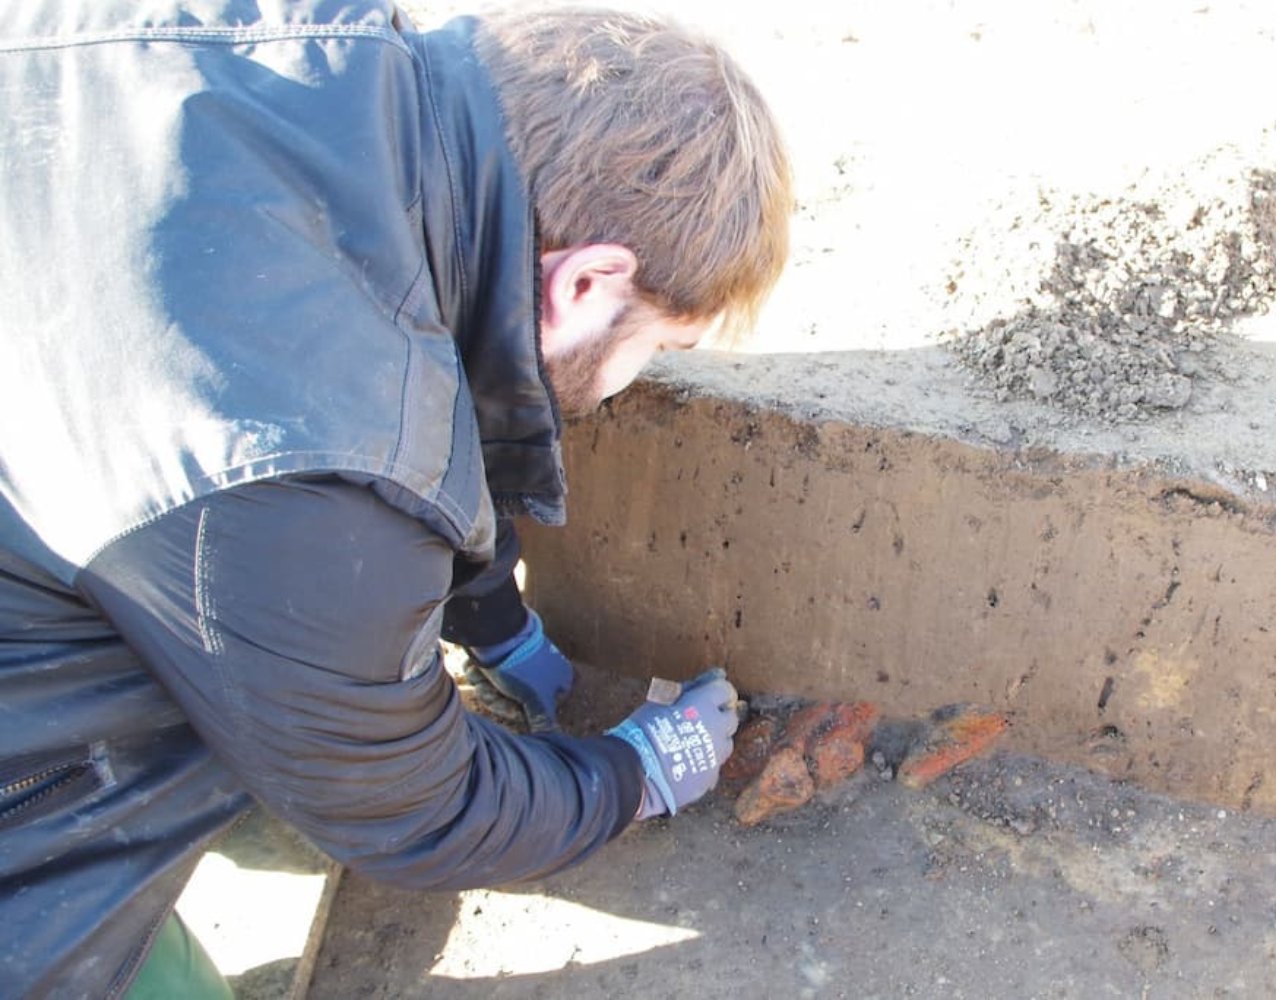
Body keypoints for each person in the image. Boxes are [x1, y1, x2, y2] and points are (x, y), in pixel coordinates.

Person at [0, 1, 793, 996]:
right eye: (659, 346)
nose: (638, 375)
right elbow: (417, 809)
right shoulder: (297, 467)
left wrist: (493, 615)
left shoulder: (305, 56)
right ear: (589, 282)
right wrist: (631, 776)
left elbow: (436, 339)